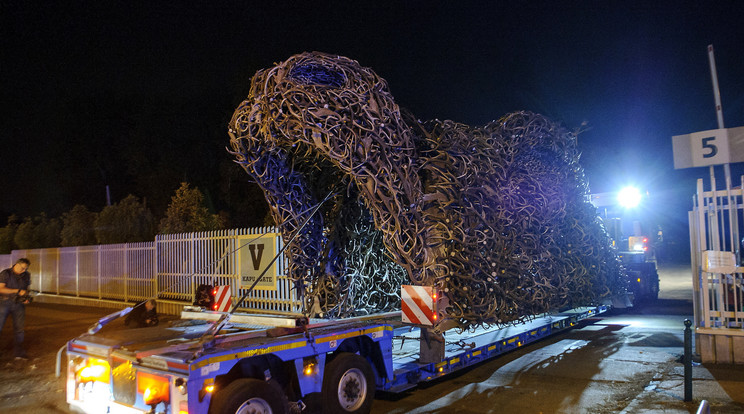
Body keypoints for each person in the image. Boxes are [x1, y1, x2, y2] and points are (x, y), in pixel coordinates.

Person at [0, 258, 31, 359]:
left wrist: (25, 298)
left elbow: (26, 289)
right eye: (22, 268)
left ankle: (19, 353)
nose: (24, 271)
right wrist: (17, 291)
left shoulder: (26, 275)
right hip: (4, 303)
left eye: (25, 269)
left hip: (18, 305)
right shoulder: (6, 273)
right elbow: (1, 288)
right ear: (16, 264)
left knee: (19, 329)